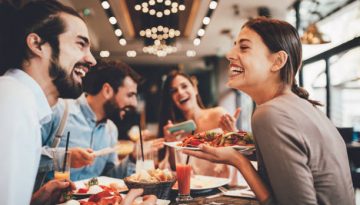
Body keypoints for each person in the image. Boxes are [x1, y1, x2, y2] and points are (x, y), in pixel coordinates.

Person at [183, 17, 355, 205]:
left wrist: (238, 160)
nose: (230, 54)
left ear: (277, 61)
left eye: (244, 47)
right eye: (234, 46)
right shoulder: (305, 107)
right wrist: (241, 145)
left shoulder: (269, 113)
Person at [0, 1, 96, 204]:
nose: (91, 60)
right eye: (80, 44)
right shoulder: (15, 102)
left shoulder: (19, 99)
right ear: (37, 45)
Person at [41, 60, 142, 181]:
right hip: (50, 200)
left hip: (90, 200)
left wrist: (132, 158)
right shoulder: (59, 110)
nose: (135, 103)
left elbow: (108, 178)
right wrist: (64, 158)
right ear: (107, 90)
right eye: (130, 95)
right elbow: (23, 155)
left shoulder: (111, 130)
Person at [158, 71, 240, 181]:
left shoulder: (218, 115)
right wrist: (170, 145)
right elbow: (173, 170)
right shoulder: (176, 130)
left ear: (195, 89)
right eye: (174, 91)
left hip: (224, 186)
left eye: (184, 86)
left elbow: (237, 156)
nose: (180, 93)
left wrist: (234, 133)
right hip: (193, 191)